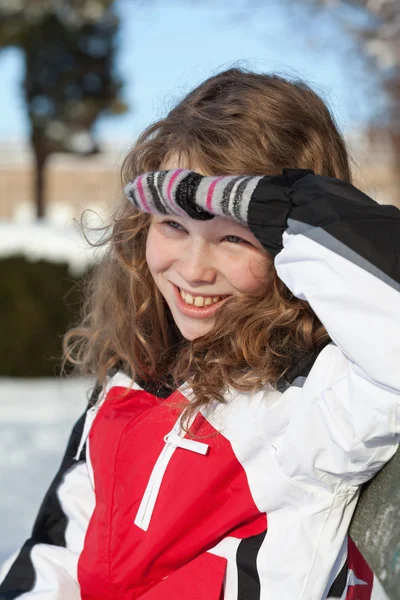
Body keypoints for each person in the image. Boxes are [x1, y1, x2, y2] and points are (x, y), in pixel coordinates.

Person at [0, 67, 399, 600]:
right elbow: (61, 550)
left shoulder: (321, 401)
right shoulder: (136, 374)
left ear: (291, 241)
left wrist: (293, 204)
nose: (193, 269)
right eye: (173, 226)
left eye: (233, 236)